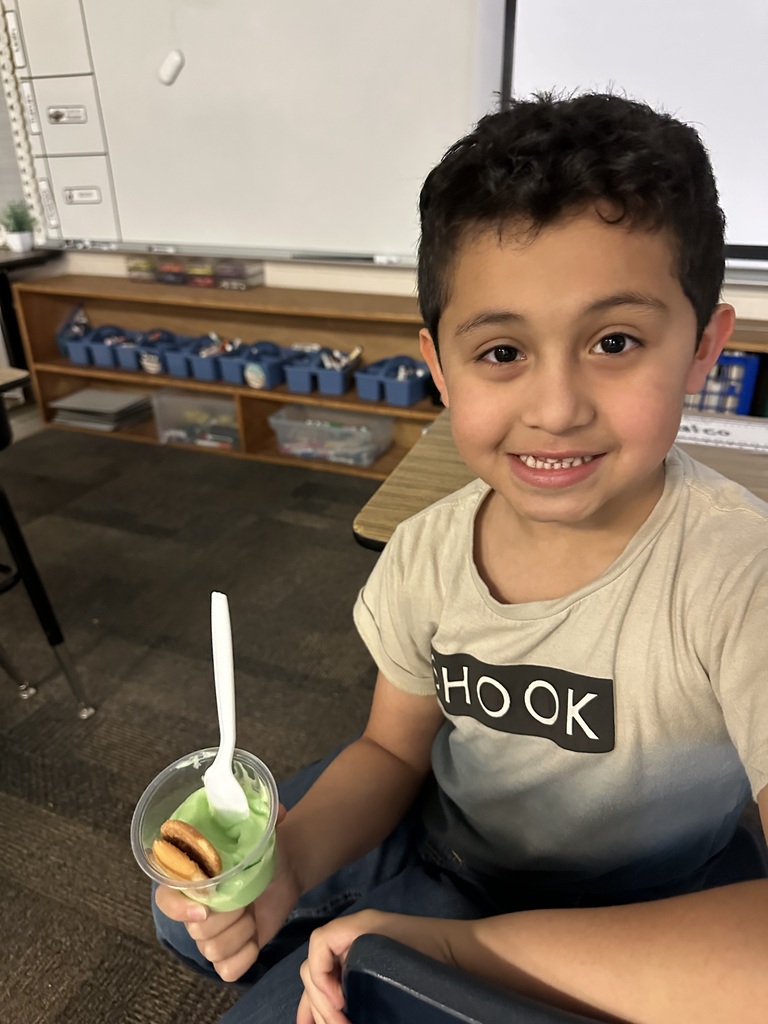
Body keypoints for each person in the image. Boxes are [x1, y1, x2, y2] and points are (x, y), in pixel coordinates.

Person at [154, 92, 768, 1024]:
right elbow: (391, 748)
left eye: (615, 342)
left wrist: (443, 953)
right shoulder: (428, 551)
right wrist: (287, 871)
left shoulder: (740, 577)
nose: (556, 405)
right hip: (449, 866)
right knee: (202, 923)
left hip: (641, 924)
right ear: (439, 367)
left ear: (702, 351)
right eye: (502, 351)